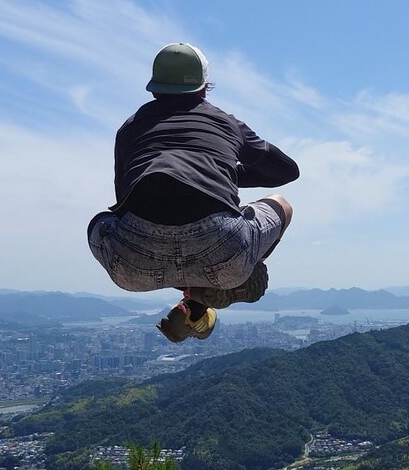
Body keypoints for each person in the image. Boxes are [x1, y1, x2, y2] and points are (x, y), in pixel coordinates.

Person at [87, 43, 298, 343]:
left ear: (154, 90)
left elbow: (123, 199)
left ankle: (195, 298)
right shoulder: (225, 122)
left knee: (100, 222)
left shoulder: (130, 129)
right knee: (282, 205)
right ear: (204, 88)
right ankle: (209, 293)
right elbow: (286, 171)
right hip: (224, 250)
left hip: (133, 263)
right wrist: (225, 173)